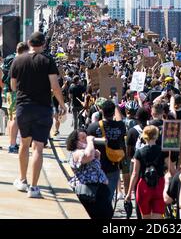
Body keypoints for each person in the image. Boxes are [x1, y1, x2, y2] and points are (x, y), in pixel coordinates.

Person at [10, 31, 67, 198]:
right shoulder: (48, 61)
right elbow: (55, 87)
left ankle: (22, 180)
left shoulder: (18, 59)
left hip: (23, 107)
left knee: (24, 144)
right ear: (43, 44)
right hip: (42, 109)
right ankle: (34, 188)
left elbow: (13, 86)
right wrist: (62, 105)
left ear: (29, 43)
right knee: (38, 148)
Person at [66, 129, 113, 218]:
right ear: (76, 142)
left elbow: (94, 169)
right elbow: (88, 156)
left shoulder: (91, 152)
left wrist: (98, 157)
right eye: (83, 138)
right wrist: (90, 142)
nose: (86, 140)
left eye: (86, 137)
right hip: (89, 192)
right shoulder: (76, 153)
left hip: (100, 190)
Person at [125, 125, 168, 219]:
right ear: (156, 136)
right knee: (158, 217)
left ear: (144, 136)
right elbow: (170, 169)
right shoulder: (163, 151)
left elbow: (135, 174)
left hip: (144, 186)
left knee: (145, 217)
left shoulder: (139, 152)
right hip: (159, 184)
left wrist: (129, 193)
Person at [87, 99, 126, 204]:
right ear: (113, 112)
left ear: (101, 111)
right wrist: (116, 103)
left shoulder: (93, 128)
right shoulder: (121, 126)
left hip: (96, 168)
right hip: (113, 167)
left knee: (95, 199)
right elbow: (120, 120)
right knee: (108, 199)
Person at [6, 42, 29, 153]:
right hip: (16, 92)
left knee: (12, 119)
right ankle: (13, 144)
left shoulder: (10, 59)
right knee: (15, 119)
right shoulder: (18, 61)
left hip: (9, 93)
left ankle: (12, 143)